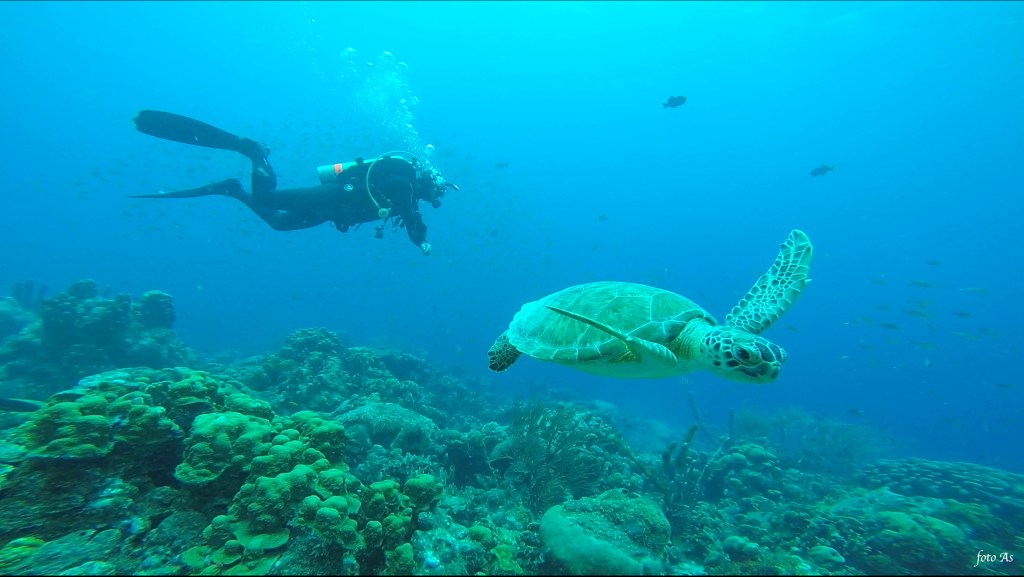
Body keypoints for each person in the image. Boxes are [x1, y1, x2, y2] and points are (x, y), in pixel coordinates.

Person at [131, 110, 458, 255]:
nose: (434, 198)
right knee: (269, 198)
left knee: (278, 224)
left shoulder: (410, 197)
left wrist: (422, 242)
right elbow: (410, 213)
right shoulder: (404, 183)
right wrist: (420, 238)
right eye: (437, 192)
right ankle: (255, 152)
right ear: (428, 182)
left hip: (333, 212)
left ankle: (232, 189)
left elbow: (413, 219)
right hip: (331, 196)